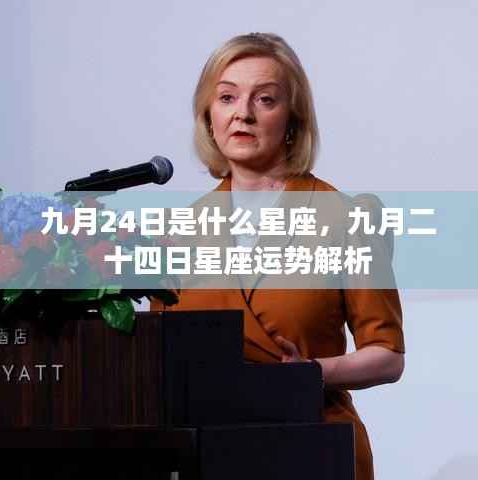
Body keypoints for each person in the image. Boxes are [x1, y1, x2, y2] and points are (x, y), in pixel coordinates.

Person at [151, 32, 405, 480]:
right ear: (208, 116)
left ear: (293, 118)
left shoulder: (348, 216)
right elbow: (158, 357)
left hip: (314, 446)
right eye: (227, 97)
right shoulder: (177, 232)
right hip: (209, 456)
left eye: (265, 99)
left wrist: (314, 372)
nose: (243, 113)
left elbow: (388, 355)